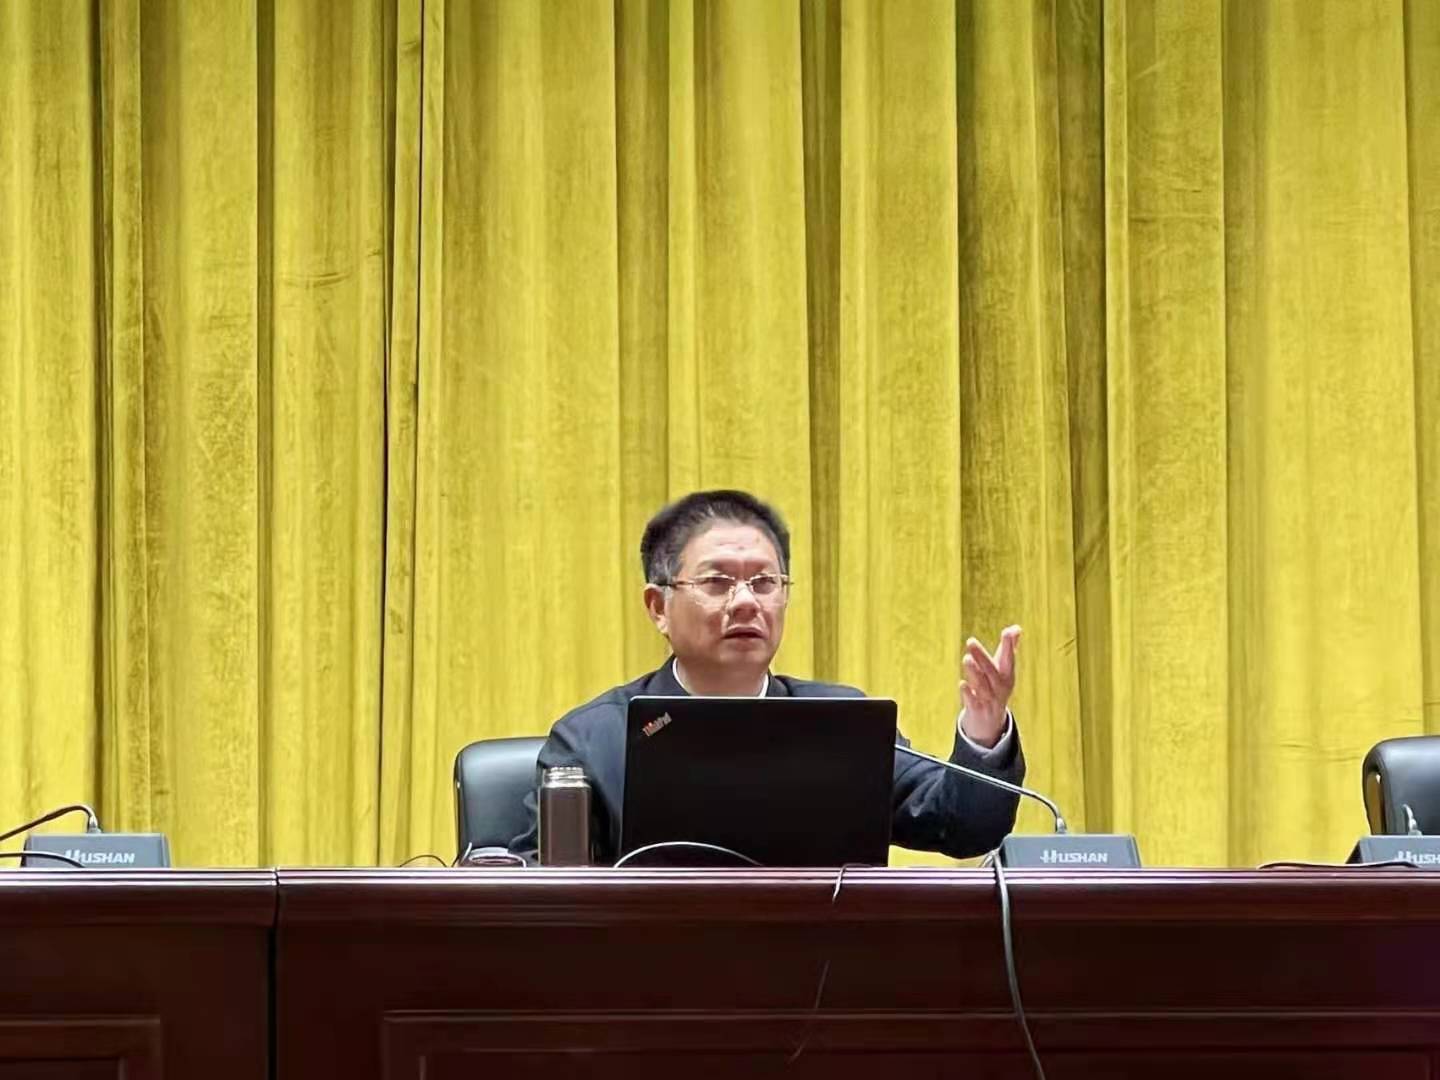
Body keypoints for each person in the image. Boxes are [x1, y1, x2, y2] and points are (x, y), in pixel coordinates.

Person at [509, 489, 1025, 864]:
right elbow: (537, 889)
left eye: (764, 582)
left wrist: (983, 732)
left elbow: (963, 827)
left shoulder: (839, 722)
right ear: (658, 607)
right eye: (717, 582)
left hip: (822, 973)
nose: (745, 602)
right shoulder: (591, 739)